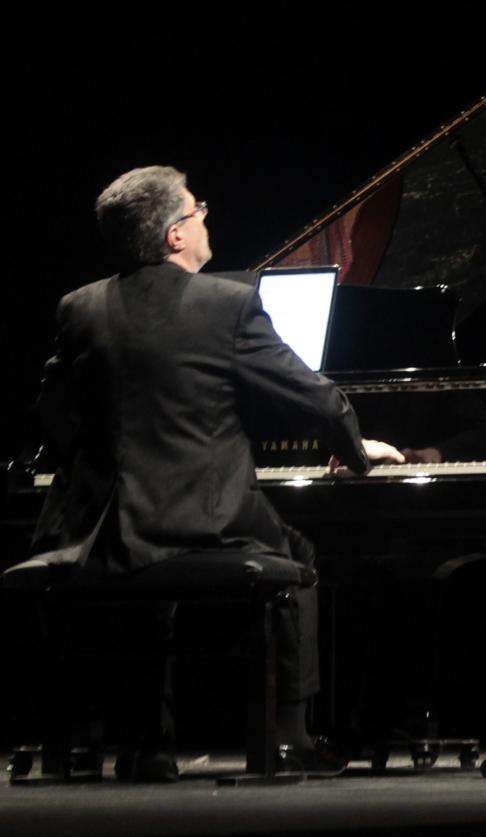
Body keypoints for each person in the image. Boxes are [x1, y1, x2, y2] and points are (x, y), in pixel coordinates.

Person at [29, 165, 406, 780]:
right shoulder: (228, 303)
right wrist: (359, 450)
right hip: (199, 521)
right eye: (197, 209)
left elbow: (48, 409)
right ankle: (286, 737)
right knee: (298, 556)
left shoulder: (79, 307)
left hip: (103, 523)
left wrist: (91, 466)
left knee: (144, 582)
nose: (207, 217)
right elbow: (317, 399)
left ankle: (146, 744)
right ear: (176, 235)